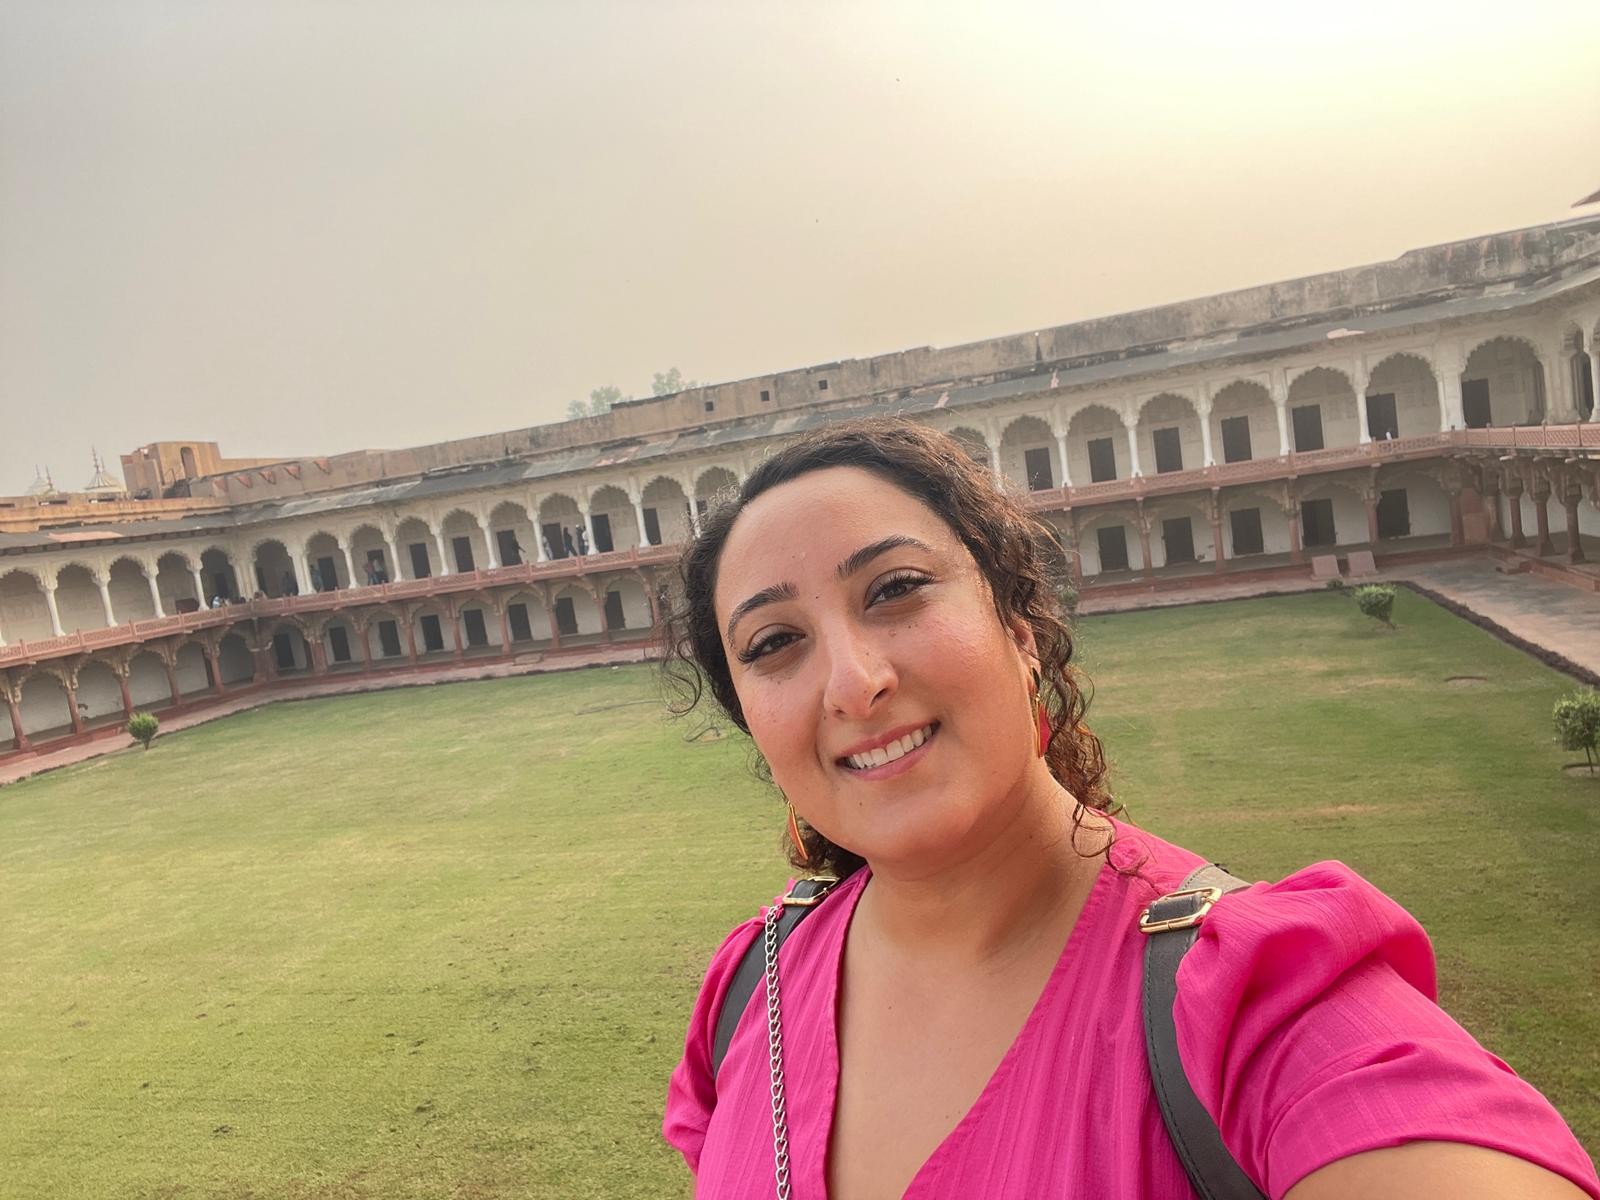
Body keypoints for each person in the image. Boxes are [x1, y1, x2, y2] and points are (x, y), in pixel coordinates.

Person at [660, 418, 1598, 1199]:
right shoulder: (750, 993)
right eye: (775, 641)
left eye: (897, 588)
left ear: (1020, 632)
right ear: (749, 717)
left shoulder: (1247, 1000)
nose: (854, 684)